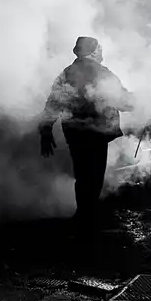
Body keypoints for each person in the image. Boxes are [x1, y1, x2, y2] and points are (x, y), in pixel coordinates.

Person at [39, 36, 135, 234]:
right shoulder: (102, 73)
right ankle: (87, 217)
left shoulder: (67, 73)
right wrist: (142, 102)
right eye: (99, 49)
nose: (101, 52)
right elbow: (122, 100)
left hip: (74, 132)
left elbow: (54, 103)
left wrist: (46, 129)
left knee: (82, 174)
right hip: (97, 132)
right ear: (92, 51)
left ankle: (83, 214)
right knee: (94, 175)